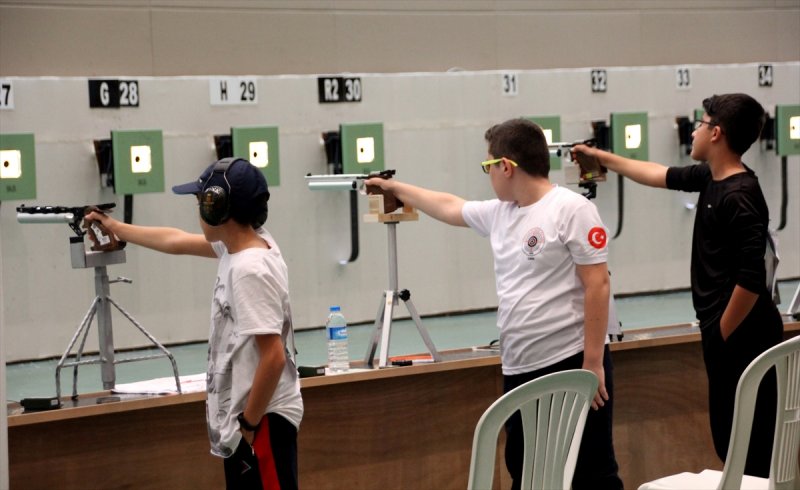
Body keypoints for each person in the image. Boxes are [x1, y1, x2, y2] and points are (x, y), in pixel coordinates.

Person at [366, 118, 623, 490]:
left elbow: (597, 284)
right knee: (528, 471)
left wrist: (593, 363)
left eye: (488, 166)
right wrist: (394, 187)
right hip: (520, 367)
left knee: (590, 471)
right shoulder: (500, 213)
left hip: (570, 362)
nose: (488, 174)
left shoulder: (570, 209)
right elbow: (449, 206)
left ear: (506, 166)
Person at [572, 93, 783, 477]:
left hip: (744, 335)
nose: (695, 131)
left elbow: (752, 279)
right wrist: (601, 158)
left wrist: (721, 333)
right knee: (729, 437)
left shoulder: (740, 195)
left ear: (716, 133)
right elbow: (657, 174)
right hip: (727, 332)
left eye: (701, 123)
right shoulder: (710, 178)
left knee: (750, 445)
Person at [85, 157, 303, 490]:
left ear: (219, 208)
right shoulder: (243, 245)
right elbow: (174, 240)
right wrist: (116, 227)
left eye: (203, 200)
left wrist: (249, 423)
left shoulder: (249, 269)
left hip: (263, 421)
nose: (199, 208)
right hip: (255, 420)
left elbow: (272, 357)